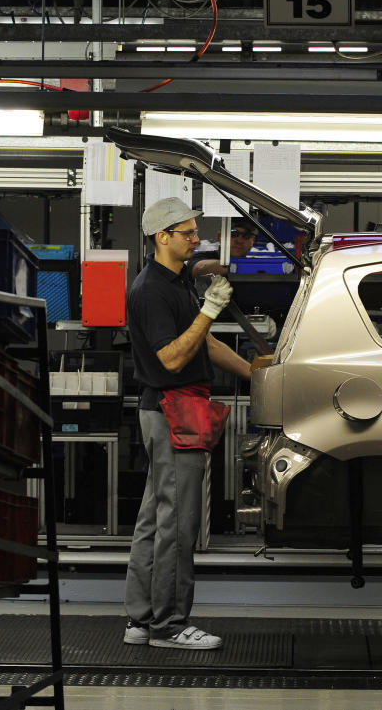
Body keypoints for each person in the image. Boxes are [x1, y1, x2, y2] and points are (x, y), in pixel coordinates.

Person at [122, 197, 252, 650]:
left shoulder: (176, 284)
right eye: (189, 232)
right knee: (178, 522)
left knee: (153, 520)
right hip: (173, 410)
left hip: (169, 409)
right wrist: (209, 310)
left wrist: (256, 372)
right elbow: (173, 357)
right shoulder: (150, 290)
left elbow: (203, 343)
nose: (197, 239)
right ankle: (170, 626)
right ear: (163, 237)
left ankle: (140, 620)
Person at [187, 218, 258, 278]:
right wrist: (236, 267)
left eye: (246, 236)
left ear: (253, 241)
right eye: (233, 234)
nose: (239, 240)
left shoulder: (258, 265)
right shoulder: (202, 257)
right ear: (219, 237)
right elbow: (199, 268)